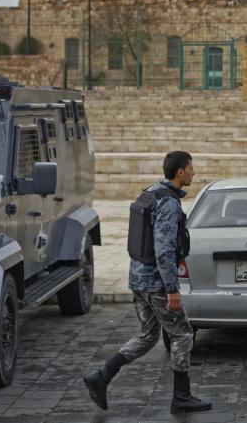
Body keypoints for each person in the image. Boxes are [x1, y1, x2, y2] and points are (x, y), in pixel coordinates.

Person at [83, 151, 211, 414]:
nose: (193, 173)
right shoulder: (169, 203)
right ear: (180, 172)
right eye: (191, 168)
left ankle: (101, 377)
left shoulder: (151, 193)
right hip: (157, 284)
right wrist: (172, 289)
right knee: (183, 334)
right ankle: (181, 396)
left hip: (138, 278)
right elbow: (164, 249)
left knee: (148, 335)